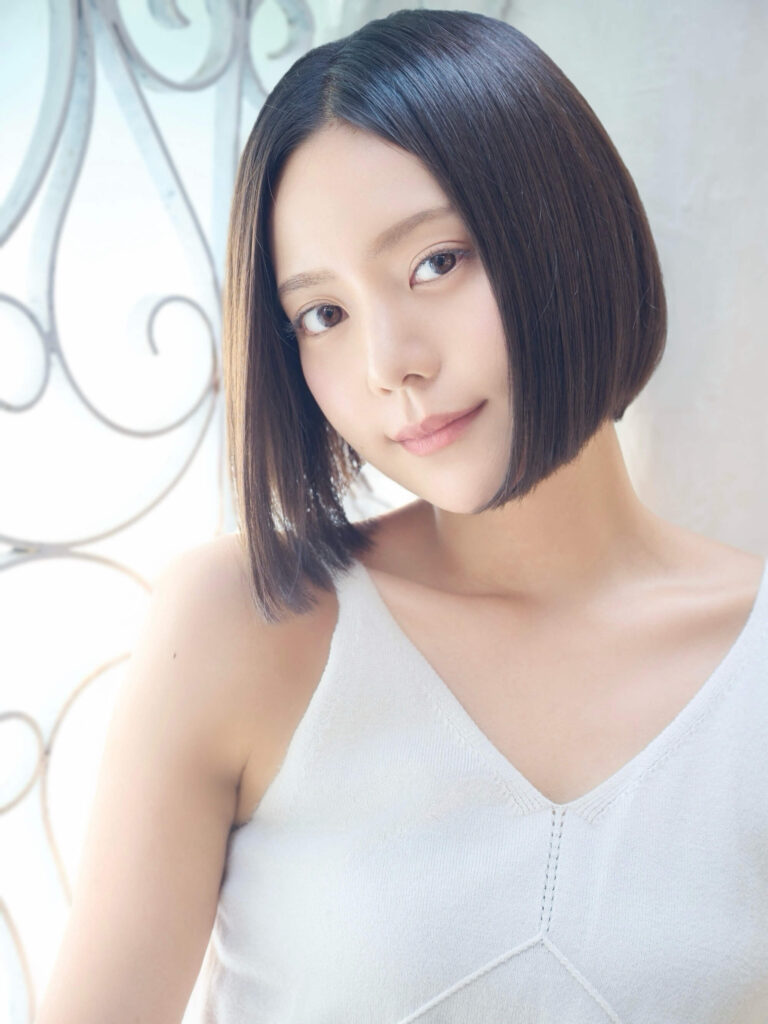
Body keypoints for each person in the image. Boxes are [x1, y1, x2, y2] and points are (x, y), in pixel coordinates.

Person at [36, 8, 768, 1024]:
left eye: (436, 262)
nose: (391, 364)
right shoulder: (249, 622)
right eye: (323, 314)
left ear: (571, 231)